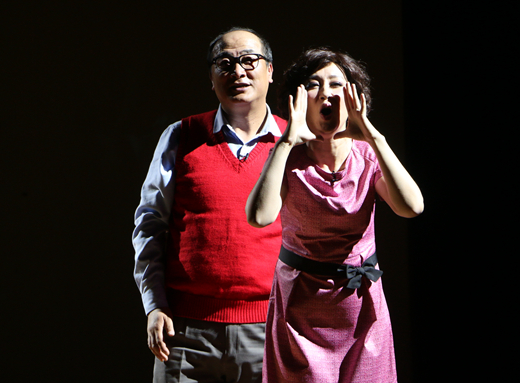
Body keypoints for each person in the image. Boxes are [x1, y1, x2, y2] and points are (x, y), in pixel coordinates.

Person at [245, 47, 424, 383]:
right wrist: (285, 142)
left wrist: (373, 135)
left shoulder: (368, 156)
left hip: (361, 307)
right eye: (314, 85)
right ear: (299, 100)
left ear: (355, 97)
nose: (326, 93)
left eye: (336, 84)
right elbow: (259, 216)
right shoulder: (288, 159)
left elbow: (412, 206)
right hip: (301, 309)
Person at [133, 28, 287, 382]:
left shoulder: (292, 143)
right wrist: (154, 304)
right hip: (185, 333)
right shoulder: (181, 136)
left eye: (249, 60)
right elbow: (150, 225)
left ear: (270, 71)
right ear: (211, 77)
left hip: (270, 328)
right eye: (225, 63)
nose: (238, 71)